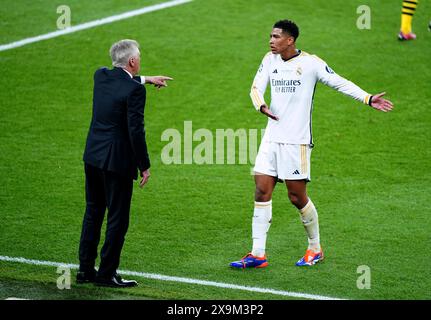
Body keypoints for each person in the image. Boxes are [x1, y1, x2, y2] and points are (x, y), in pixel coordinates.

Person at [230, 20, 393, 269]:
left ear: (290, 40)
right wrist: (261, 105)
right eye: (270, 36)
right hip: (271, 138)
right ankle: (258, 254)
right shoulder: (269, 59)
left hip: (297, 142)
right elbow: (255, 87)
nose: (271, 40)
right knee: (262, 190)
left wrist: (367, 98)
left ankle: (315, 248)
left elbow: (339, 81)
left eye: (276, 37)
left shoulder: (311, 64)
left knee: (297, 197)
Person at [77, 39, 172, 287]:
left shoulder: (101, 76)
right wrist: (144, 165)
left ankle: (85, 270)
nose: (140, 59)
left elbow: (121, 82)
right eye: (138, 56)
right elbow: (135, 131)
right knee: (118, 218)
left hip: (93, 156)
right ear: (132, 61)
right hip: (117, 162)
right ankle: (106, 274)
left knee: (93, 212)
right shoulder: (134, 91)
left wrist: (147, 78)